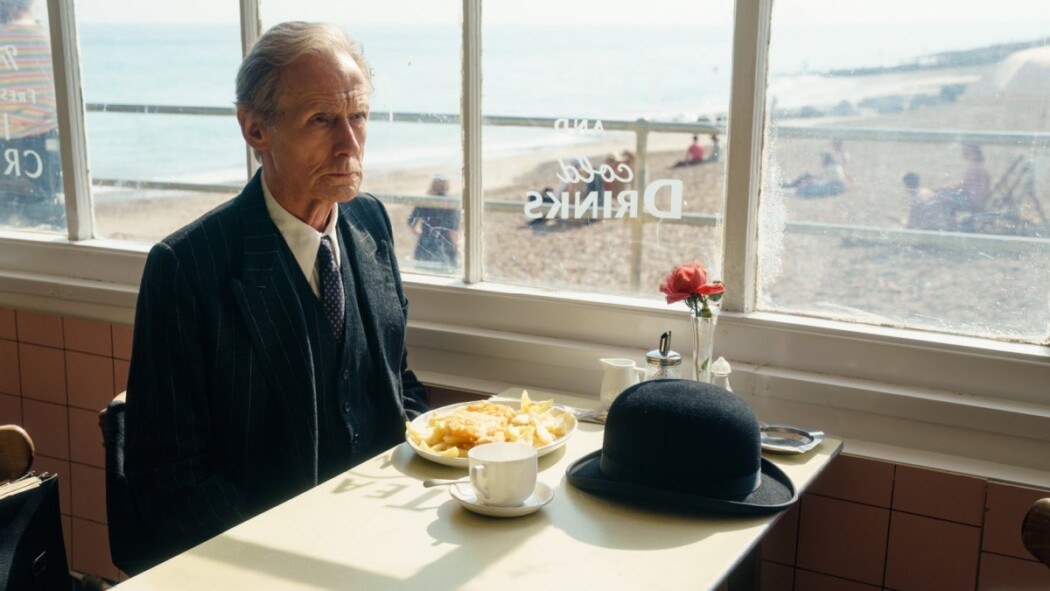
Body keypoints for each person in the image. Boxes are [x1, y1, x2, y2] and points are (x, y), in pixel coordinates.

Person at [123, 21, 429, 569]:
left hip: (383, 541)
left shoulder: (371, 222)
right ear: (255, 129)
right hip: (261, 564)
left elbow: (397, 383)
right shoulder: (186, 267)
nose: (350, 144)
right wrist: (286, 564)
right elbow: (170, 480)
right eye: (322, 120)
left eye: (359, 116)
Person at [0, 0, 62, 226]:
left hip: (4, 140)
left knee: (4, 212)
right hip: (41, 140)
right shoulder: (47, 37)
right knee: (45, 209)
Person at [407, 174, 459, 270]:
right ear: (446, 185)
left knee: (422, 273)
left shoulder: (425, 201)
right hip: (444, 246)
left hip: (425, 245)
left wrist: (422, 235)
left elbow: (411, 223)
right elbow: (453, 232)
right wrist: (456, 249)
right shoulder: (450, 203)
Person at [936, 143, 991, 215]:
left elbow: (962, 185)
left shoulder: (975, 167)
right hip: (977, 200)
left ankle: (949, 220)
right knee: (946, 195)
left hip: (973, 201)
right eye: (968, 153)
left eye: (971, 153)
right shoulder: (979, 166)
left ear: (977, 154)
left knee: (943, 196)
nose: (970, 155)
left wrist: (943, 188)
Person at [781, 152, 846, 198]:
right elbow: (822, 178)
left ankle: (791, 187)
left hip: (832, 187)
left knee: (808, 183)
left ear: (826, 159)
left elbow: (823, 181)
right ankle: (791, 186)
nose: (821, 161)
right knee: (808, 177)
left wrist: (808, 182)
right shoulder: (833, 166)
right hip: (836, 187)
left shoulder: (830, 168)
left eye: (822, 159)